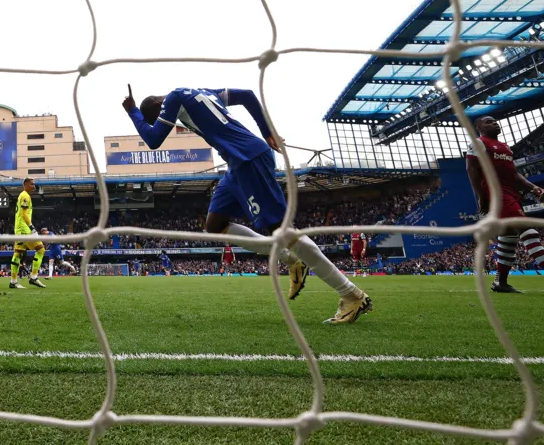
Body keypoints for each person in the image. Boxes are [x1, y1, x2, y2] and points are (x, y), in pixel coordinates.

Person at [124, 85, 371, 324]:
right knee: (215, 224)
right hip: (237, 162)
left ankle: (351, 295)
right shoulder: (201, 91)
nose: (166, 123)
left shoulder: (171, 99)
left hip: (248, 158)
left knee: (283, 231)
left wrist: (133, 112)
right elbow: (248, 95)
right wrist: (266, 130)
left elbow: (153, 140)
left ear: (158, 105)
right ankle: (290, 259)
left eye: (159, 118)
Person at [465, 116, 544, 296]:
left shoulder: (505, 147)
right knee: (528, 232)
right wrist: (482, 197)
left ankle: (501, 282)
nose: (495, 123)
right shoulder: (479, 143)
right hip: (496, 194)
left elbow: (514, 174)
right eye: (489, 122)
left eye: (495, 121)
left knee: (509, 238)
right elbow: (471, 170)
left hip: (511, 193)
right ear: (479, 128)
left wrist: (532, 187)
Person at [10, 178, 46, 289]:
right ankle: (32, 277)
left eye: (34, 184)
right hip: (24, 229)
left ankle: (15, 281)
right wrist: (32, 228)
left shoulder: (23, 195)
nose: (34, 186)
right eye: (32, 184)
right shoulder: (25, 195)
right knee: (40, 249)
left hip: (21, 228)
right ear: (25, 184)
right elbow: (25, 214)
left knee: (18, 254)